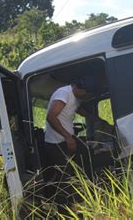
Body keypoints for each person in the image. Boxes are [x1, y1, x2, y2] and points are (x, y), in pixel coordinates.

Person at [44, 76, 99, 211]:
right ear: (77, 87)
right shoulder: (64, 93)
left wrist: (92, 117)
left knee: (87, 155)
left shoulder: (74, 97)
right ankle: (64, 210)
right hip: (56, 143)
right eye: (84, 91)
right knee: (65, 175)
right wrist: (68, 137)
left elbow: (77, 108)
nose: (85, 94)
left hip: (66, 139)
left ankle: (86, 195)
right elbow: (51, 117)